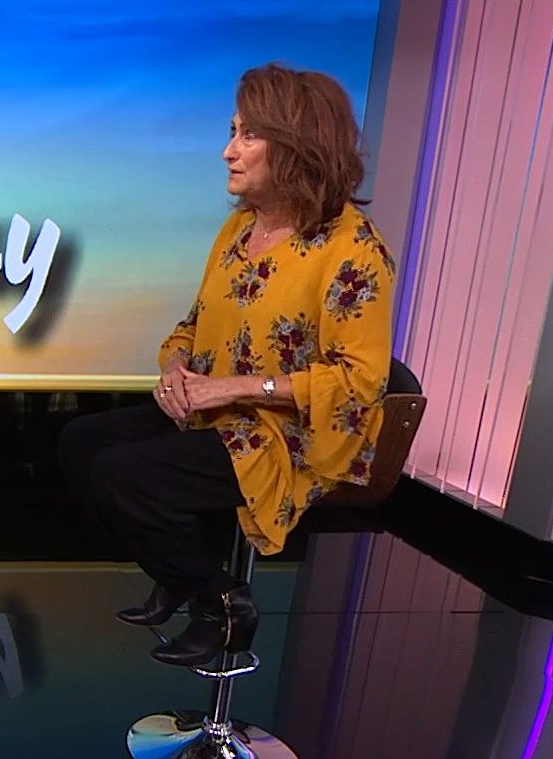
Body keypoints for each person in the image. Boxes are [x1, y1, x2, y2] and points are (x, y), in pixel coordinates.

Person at [58, 64, 395, 667]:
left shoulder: (355, 249)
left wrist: (232, 388)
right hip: (223, 412)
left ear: (295, 145)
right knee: (81, 443)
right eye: (232, 132)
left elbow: (359, 382)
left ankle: (218, 602)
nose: (228, 151)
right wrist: (176, 372)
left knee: (126, 474)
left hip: (293, 433)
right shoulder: (241, 228)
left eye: (248, 135)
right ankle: (181, 575)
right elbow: (192, 325)